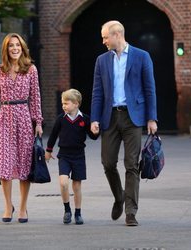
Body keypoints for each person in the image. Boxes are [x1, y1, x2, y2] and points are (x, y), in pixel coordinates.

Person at [90, 20, 158, 226]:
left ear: (117, 34)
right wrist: (94, 118)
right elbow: (97, 92)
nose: (103, 41)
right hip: (109, 117)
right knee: (108, 163)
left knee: (132, 164)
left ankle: (130, 211)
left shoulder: (142, 56)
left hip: (133, 117)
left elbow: (149, 89)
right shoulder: (101, 60)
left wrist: (152, 118)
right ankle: (119, 197)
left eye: (105, 37)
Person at [0, 33, 43, 223]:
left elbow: (35, 97)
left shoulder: (31, 69)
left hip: (24, 118)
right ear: (6, 50)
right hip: (5, 118)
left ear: (22, 48)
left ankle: (23, 208)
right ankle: (8, 206)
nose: (15, 48)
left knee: (25, 164)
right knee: (4, 164)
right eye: (11, 46)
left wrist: (38, 122)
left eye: (18, 45)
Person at [45, 89, 98, 225]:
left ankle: (78, 213)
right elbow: (53, 136)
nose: (63, 106)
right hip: (64, 155)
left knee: (76, 186)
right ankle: (67, 210)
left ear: (76, 104)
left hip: (79, 156)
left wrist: (96, 131)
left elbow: (92, 136)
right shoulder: (60, 119)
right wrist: (48, 150)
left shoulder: (85, 119)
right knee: (63, 183)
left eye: (66, 103)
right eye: (62, 103)